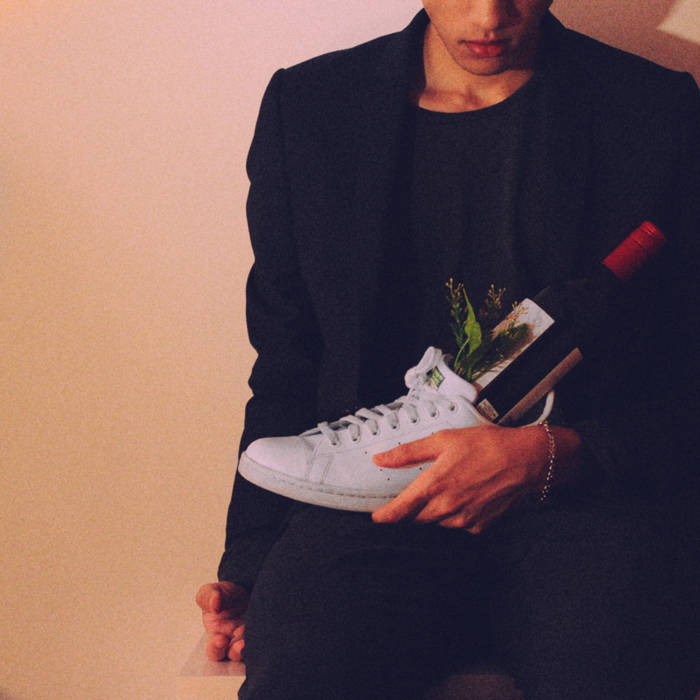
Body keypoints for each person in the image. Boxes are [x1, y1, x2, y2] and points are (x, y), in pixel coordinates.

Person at [197, 1, 700, 698]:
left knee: (614, 668)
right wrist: (249, 565)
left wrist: (561, 453)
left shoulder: (652, 110)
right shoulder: (311, 108)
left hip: (584, 498)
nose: (490, 15)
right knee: (302, 672)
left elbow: (687, 369)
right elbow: (288, 353)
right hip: (372, 507)